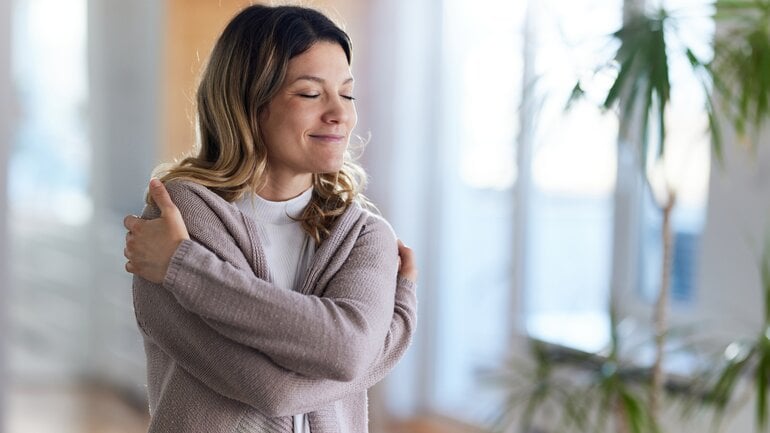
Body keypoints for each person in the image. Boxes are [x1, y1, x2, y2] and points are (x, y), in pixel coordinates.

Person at [121, 5, 418, 433]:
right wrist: (387, 337)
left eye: (347, 93)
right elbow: (272, 391)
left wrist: (185, 269)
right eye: (311, 93)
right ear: (248, 102)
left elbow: (348, 353)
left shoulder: (364, 235)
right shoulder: (178, 217)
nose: (341, 113)